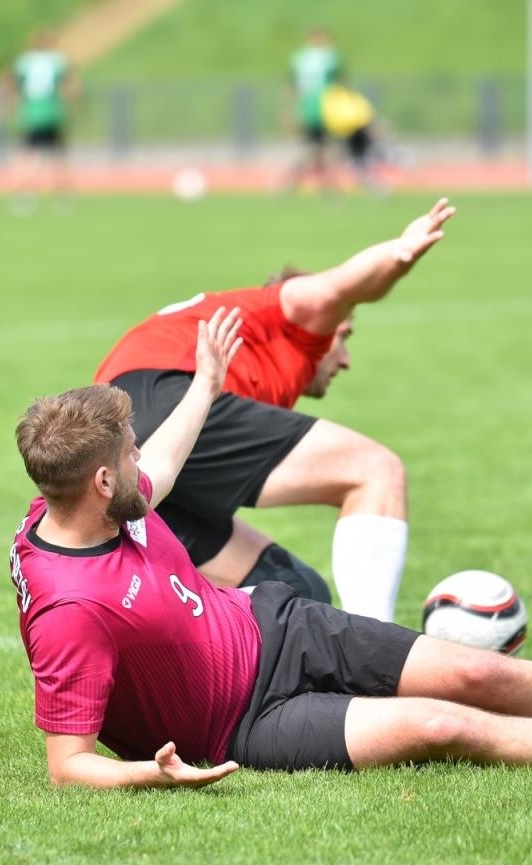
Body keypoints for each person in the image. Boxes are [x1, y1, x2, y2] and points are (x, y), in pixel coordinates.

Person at [11, 309, 532, 788]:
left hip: (276, 625)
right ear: (105, 481)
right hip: (249, 725)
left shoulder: (101, 499)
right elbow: (67, 762)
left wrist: (207, 384)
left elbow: (168, 461)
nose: (148, 462)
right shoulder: (69, 611)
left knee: (475, 669)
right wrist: (150, 773)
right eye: (132, 455)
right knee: (442, 725)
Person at [92, 197, 460, 623]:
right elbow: (340, 288)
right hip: (174, 394)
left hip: (120, 434)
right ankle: (382, 651)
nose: (344, 359)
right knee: (375, 470)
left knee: (297, 593)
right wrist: (398, 256)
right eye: (345, 336)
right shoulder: (289, 317)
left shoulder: (253, 354)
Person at [9, 30, 76, 213]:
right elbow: (68, 87)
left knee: (28, 155)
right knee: (58, 155)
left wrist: (15, 106)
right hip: (52, 113)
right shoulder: (56, 60)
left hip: (31, 114)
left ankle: (26, 194)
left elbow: (14, 87)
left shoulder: (24, 61)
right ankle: (62, 196)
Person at [282, 29, 343, 194]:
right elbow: (340, 84)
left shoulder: (299, 58)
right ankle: (326, 188)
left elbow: (291, 87)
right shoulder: (329, 58)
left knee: (316, 151)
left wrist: (289, 111)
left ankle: (291, 184)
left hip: (306, 111)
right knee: (321, 151)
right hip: (323, 111)